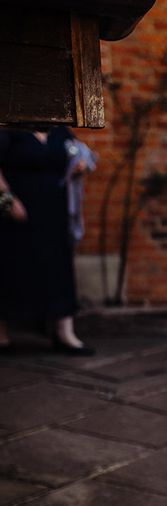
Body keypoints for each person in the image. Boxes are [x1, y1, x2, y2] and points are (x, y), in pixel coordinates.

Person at [0, 127, 94, 354]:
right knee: (11, 267)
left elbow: (78, 155)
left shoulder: (60, 131)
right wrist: (7, 200)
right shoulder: (9, 129)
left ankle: (64, 333)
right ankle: (1, 335)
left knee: (58, 266)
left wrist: (80, 165)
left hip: (54, 211)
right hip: (16, 211)